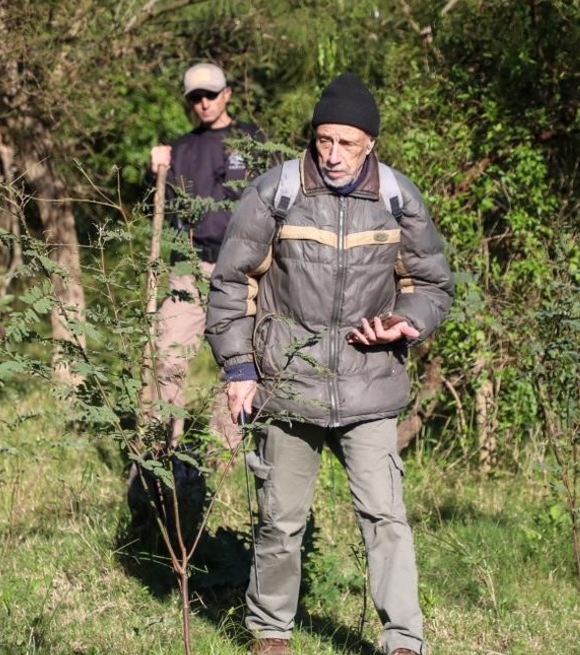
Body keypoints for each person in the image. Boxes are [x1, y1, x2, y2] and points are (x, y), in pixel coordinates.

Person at [205, 73, 454, 655]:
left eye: (347, 142)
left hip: (371, 386)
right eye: (324, 141)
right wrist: (240, 369)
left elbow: (432, 284)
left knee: (385, 516)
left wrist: (406, 320)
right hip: (288, 381)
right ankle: (271, 632)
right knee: (281, 519)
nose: (334, 154)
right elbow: (232, 281)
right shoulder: (277, 191)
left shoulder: (397, 197)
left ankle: (403, 640)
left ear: (371, 143)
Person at [147, 62, 266, 451]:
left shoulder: (251, 140)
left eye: (210, 95)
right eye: (195, 98)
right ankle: (165, 446)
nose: (203, 103)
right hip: (189, 267)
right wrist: (155, 172)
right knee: (167, 356)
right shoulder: (179, 149)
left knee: (238, 359)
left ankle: (224, 449)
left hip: (243, 267)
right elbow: (155, 208)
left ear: (227, 94)